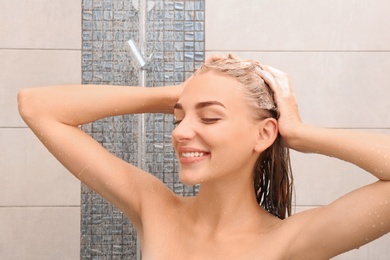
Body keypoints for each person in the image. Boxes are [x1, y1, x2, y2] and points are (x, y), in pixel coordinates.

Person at [18, 54, 390, 259]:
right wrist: (177, 95)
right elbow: (36, 106)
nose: (179, 131)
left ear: (263, 134)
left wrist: (298, 133)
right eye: (179, 117)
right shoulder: (155, 208)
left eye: (209, 117)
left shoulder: (290, 242)